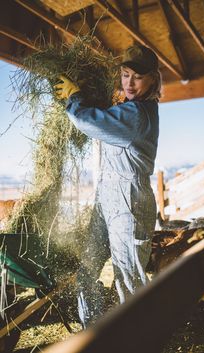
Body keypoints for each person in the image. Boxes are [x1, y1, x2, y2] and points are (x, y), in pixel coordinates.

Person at [55, 44, 162, 329]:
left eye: (137, 77)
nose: (129, 82)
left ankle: (137, 341)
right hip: (107, 199)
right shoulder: (126, 109)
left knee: (128, 279)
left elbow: (87, 120)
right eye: (125, 74)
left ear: (153, 79)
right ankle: (93, 334)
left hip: (130, 203)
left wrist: (76, 97)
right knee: (87, 268)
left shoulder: (138, 114)